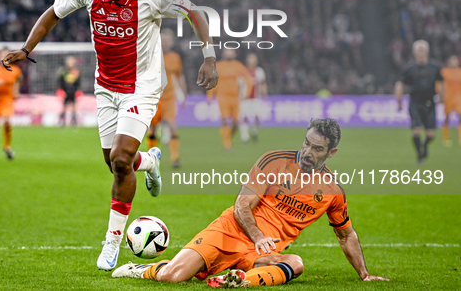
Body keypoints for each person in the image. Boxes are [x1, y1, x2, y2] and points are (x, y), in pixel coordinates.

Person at [1, 0, 218, 270]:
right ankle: (149, 161)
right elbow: (53, 14)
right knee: (116, 163)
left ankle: (112, 242)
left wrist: (209, 56)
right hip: (106, 88)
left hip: (142, 88)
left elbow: (195, 12)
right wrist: (25, 48)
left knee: (119, 158)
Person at [113, 119, 389, 287]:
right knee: (175, 276)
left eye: (317, 149)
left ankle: (239, 281)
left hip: (260, 256)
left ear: (332, 152)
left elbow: (346, 234)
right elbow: (241, 206)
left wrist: (364, 274)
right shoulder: (275, 160)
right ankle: (144, 270)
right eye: (306, 143)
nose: (307, 151)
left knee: (296, 263)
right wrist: (257, 236)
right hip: (230, 231)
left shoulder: (332, 192)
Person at [395, 40, 443, 163]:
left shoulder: (434, 67)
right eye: (418, 51)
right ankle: (420, 154)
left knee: (431, 134)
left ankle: (425, 146)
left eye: (423, 50)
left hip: (430, 102)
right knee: (416, 130)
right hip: (415, 102)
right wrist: (399, 100)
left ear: (427, 52)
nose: (421, 53)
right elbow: (400, 84)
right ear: (414, 53)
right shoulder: (409, 68)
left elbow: (442, 82)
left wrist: (442, 96)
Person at [147, 29, 187, 168]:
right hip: (154, 98)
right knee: (152, 128)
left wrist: (184, 93)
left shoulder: (175, 57)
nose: (165, 43)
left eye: (167, 40)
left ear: (171, 42)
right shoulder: (152, 55)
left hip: (169, 98)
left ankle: (175, 158)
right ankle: (151, 158)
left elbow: (179, 75)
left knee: (172, 126)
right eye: (162, 40)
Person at [207, 48, 253, 151]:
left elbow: (248, 79)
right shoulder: (218, 66)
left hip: (235, 97)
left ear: (234, 54)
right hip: (222, 97)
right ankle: (227, 144)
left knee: (236, 122)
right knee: (225, 120)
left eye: (231, 52)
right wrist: (210, 95)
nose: (228, 54)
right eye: (227, 52)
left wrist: (247, 93)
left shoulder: (238, 66)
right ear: (224, 53)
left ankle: (227, 137)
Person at [239, 53, 268, 143]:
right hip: (244, 99)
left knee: (256, 116)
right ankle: (245, 136)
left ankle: (254, 131)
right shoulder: (242, 71)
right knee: (244, 117)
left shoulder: (259, 71)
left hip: (256, 98)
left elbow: (263, 83)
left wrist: (264, 94)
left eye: (254, 59)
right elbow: (238, 85)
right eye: (251, 59)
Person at [440, 55, 461, 147]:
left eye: (455, 60)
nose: (454, 62)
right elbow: (440, 84)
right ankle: (446, 138)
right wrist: (441, 95)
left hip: (458, 98)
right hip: (448, 97)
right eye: (452, 60)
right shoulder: (444, 72)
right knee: (447, 118)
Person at [57, 56, 81, 127]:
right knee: (63, 107)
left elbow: (78, 82)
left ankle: (74, 123)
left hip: (73, 91)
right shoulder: (63, 71)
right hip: (65, 91)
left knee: (74, 107)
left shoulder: (76, 71)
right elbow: (60, 82)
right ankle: (62, 122)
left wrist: (77, 91)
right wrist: (61, 90)